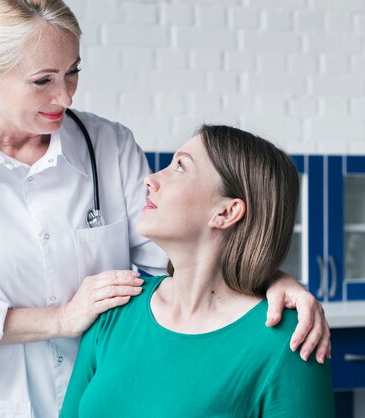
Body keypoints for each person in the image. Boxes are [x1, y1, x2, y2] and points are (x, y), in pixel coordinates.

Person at [0, 1, 330, 416]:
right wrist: (62, 319)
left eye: (73, 72)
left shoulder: (109, 145)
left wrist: (270, 277)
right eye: (43, 80)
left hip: (99, 391)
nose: (64, 97)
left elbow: (183, 256)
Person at [61, 125, 335, 417]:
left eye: (179, 167)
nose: (151, 179)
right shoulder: (113, 311)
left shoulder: (287, 341)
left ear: (226, 212)